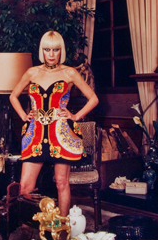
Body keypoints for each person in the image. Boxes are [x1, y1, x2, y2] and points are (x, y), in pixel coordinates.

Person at [9, 31, 99, 217]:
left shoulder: (69, 72)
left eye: (55, 50)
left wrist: (75, 116)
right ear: (42, 51)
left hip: (61, 134)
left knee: (61, 182)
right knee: (25, 187)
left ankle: (63, 227)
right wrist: (24, 115)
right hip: (35, 134)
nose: (51, 54)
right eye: (47, 50)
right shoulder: (32, 72)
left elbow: (93, 99)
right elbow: (13, 96)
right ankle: (29, 227)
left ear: (61, 51)